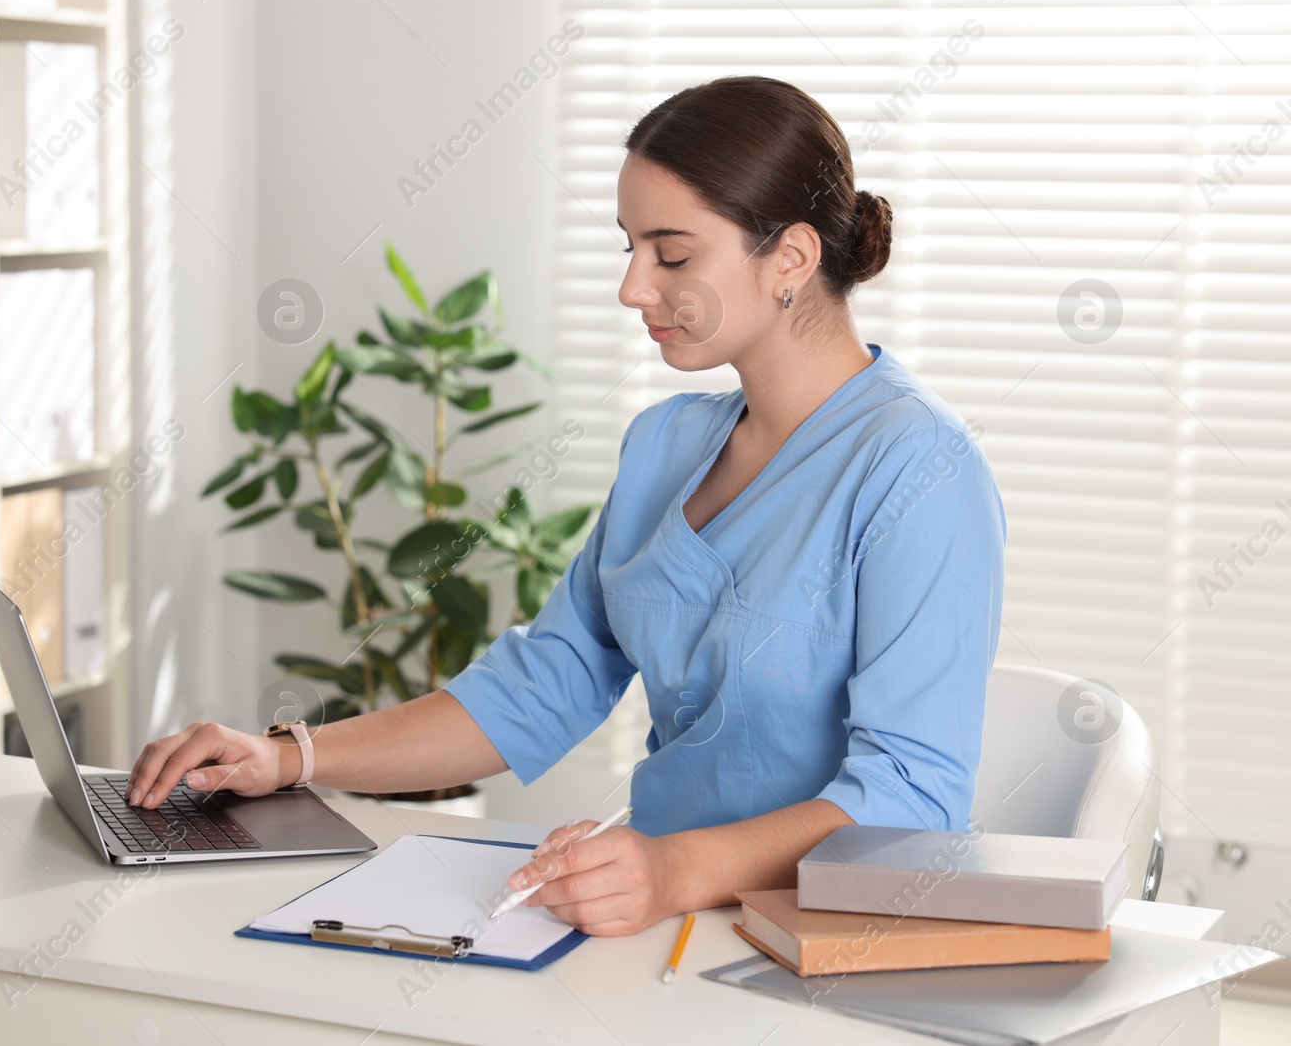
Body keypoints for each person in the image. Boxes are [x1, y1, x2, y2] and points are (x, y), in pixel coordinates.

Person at [123, 76, 1006, 938]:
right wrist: (290, 757)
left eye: (672, 253)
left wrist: (675, 870)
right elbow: (545, 682)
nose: (633, 288)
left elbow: (910, 799)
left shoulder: (918, 467)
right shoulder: (667, 444)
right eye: (628, 247)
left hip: (797, 936)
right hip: (644, 922)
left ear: (791, 259)